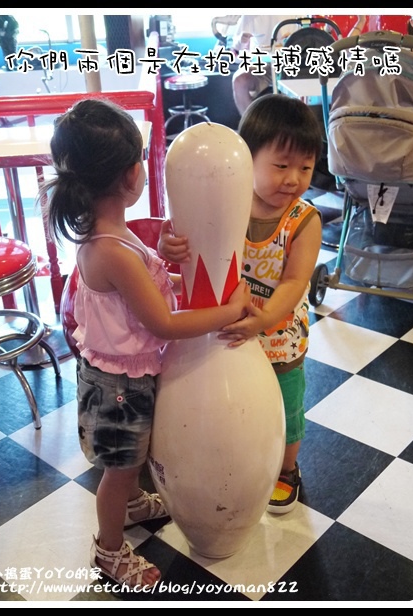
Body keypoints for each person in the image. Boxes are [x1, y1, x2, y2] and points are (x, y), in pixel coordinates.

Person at [42, 98, 251, 590]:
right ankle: (109, 549)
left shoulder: (112, 236)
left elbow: (143, 289)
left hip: (123, 374)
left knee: (130, 461)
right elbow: (163, 323)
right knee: (119, 470)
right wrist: (230, 310)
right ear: (130, 176)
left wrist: (167, 261)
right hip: (118, 385)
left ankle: (133, 505)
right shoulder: (111, 251)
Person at [158, 93, 323, 514]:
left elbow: (295, 282)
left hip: (278, 338)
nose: (294, 179)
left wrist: (263, 319)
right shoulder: (228, 203)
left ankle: (286, 470)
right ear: (246, 161)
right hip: (228, 332)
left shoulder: (303, 221)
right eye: (281, 165)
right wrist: (168, 246)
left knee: (286, 407)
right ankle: (238, 455)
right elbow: (190, 242)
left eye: (305, 167)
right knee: (235, 404)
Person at [230, 15, 300, 115]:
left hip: (291, 64)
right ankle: (250, 121)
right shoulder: (250, 16)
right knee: (239, 80)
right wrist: (241, 41)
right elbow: (235, 51)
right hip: (262, 65)